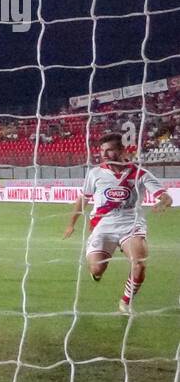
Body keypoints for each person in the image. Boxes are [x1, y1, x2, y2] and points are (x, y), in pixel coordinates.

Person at [63, 132, 172, 314]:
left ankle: (125, 301)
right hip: (102, 225)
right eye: (102, 150)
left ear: (122, 150)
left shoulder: (140, 174)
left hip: (131, 224)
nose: (104, 154)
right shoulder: (95, 173)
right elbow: (83, 199)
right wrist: (71, 224)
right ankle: (96, 272)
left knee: (139, 263)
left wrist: (163, 202)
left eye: (110, 150)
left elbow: (166, 196)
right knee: (97, 268)